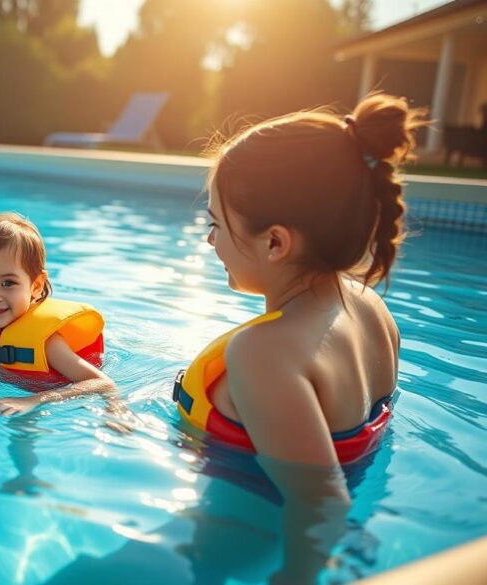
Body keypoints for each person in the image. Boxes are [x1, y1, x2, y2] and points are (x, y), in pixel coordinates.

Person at [170, 93, 425, 583]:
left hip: (243, 541)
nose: (209, 242)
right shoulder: (372, 308)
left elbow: (322, 502)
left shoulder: (264, 354)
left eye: (216, 225)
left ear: (275, 242)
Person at [0, 212, 128, 419]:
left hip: (44, 397)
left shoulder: (48, 343)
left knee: (21, 431)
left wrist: (33, 401)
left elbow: (103, 383)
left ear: (36, 285)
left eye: (8, 283)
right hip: (11, 390)